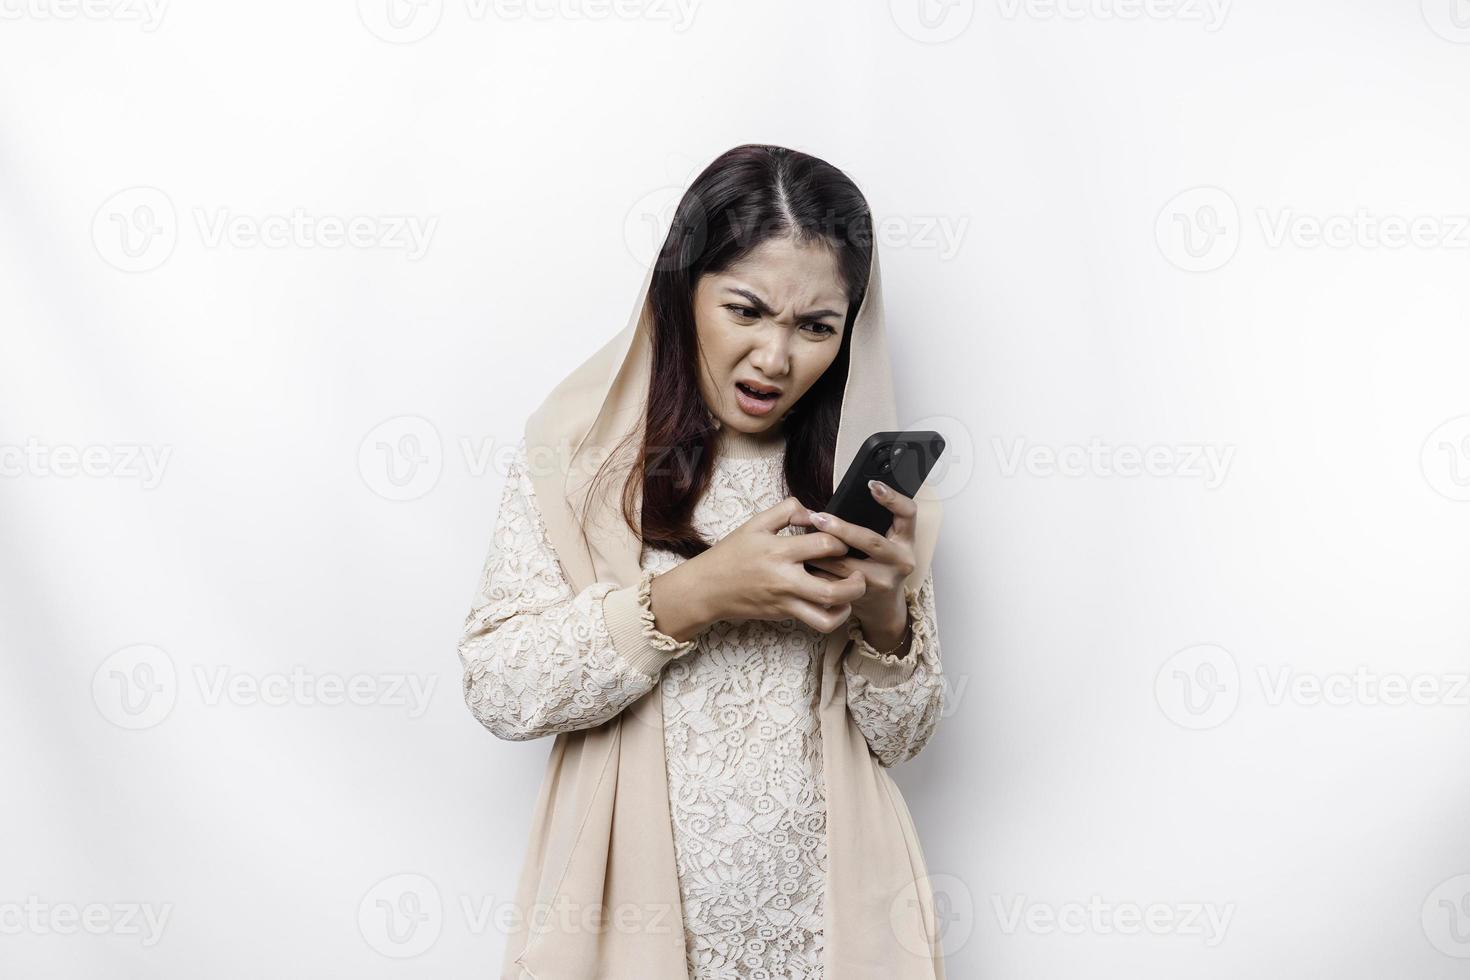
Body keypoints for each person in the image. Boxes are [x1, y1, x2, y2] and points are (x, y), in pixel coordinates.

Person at [457, 143, 950, 980]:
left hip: (834, 925)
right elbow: (499, 688)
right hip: (629, 921)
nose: (775, 357)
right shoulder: (577, 459)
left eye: (815, 326)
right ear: (682, 290)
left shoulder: (853, 486)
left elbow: (903, 738)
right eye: (747, 309)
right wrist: (692, 596)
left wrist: (883, 615)